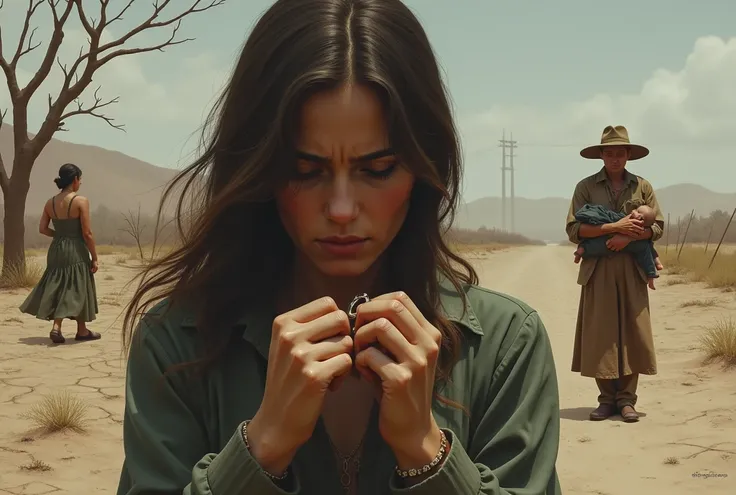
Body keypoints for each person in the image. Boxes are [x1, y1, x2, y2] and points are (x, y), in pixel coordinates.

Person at [115, 1, 562, 493]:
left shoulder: (503, 348)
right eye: (305, 170)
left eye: (378, 168)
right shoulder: (177, 345)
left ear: (422, 167)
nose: (343, 208)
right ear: (258, 168)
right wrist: (262, 447)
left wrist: (425, 451)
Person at [565, 125, 664, 423]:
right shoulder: (585, 187)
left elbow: (656, 227)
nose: (614, 158)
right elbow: (573, 230)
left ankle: (627, 401)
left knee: (633, 334)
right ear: (601, 155)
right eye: (609, 152)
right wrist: (612, 229)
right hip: (599, 270)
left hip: (632, 271)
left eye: (620, 152)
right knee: (601, 335)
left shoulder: (642, 186)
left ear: (628, 155)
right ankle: (606, 399)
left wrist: (629, 238)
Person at [19, 163, 101, 344]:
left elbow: (42, 229)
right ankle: (70, 328)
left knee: (60, 283)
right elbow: (87, 233)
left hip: (57, 248)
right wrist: (94, 257)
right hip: (76, 249)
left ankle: (71, 329)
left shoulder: (50, 202)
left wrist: (60, 235)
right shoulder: (80, 201)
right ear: (75, 180)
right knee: (78, 285)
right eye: (80, 179)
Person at [572, 203, 663, 289]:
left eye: (638, 213)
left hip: (631, 274)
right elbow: (573, 230)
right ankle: (582, 250)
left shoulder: (644, 189)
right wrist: (616, 227)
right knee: (646, 246)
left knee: (645, 246)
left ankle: (582, 250)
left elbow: (657, 229)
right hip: (598, 272)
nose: (634, 212)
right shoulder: (622, 217)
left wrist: (628, 237)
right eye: (636, 210)